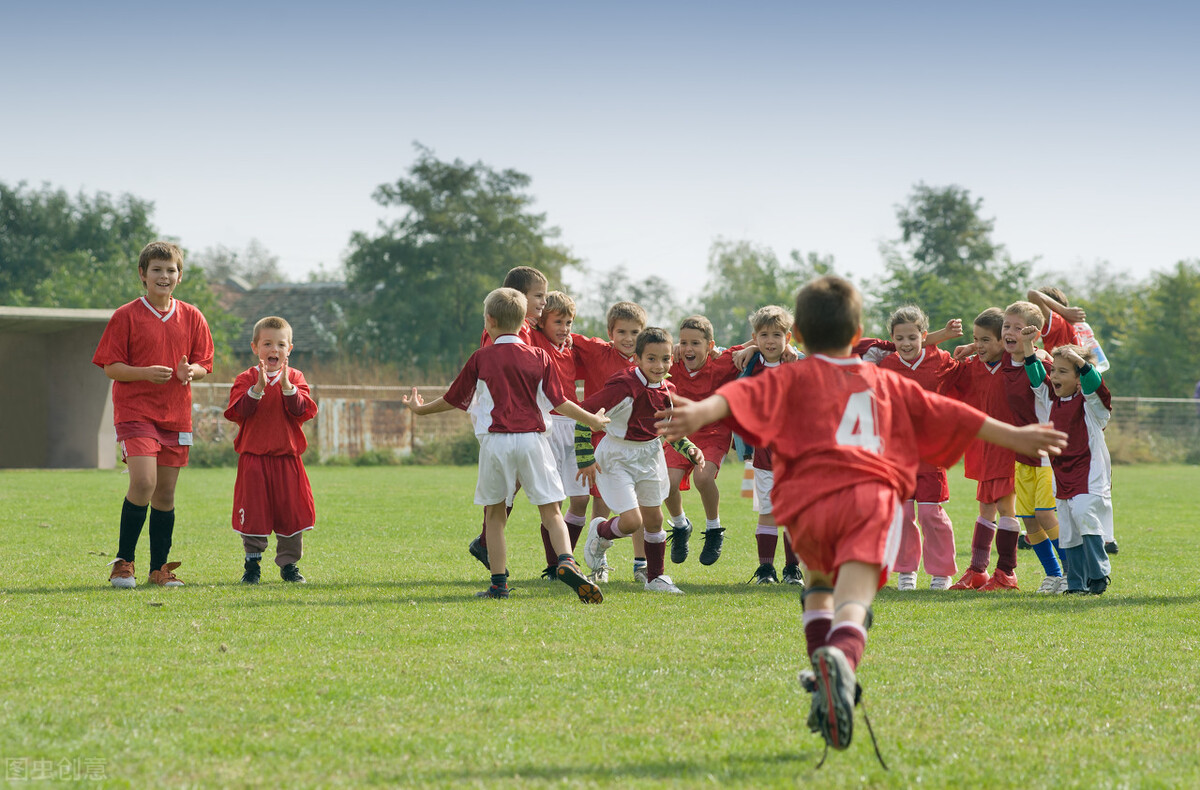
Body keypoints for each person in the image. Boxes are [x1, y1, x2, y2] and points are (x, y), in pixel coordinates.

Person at [657, 276, 1067, 754]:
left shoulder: (788, 376)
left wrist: (699, 411)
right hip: (869, 499)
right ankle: (840, 659)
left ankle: (823, 673)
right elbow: (951, 415)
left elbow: (737, 398)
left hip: (808, 501)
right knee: (853, 597)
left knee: (817, 588)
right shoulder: (885, 380)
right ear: (858, 334)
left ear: (801, 338)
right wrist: (1018, 437)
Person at [406, 288, 609, 602]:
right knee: (552, 512)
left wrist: (419, 409)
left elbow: (453, 399)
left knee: (496, 517)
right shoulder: (540, 356)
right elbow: (561, 401)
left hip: (497, 443)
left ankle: (498, 585)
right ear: (525, 322)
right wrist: (592, 421)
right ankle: (566, 562)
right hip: (533, 441)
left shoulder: (481, 358)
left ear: (489, 320)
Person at [93, 241, 214, 588]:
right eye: (157, 270)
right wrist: (145, 372)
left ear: (179, 275)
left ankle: (159, 569)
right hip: (136, 413)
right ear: (143, 275)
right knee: (143, 483)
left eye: (171, 270)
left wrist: (191, 371)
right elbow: (111, 368)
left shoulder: (193, 316)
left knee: (165, 495)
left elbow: (204, 365)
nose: (164, 276)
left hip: (176, 416)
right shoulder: (126, 315)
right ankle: (123, 563)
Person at [579, 327, 704, 594]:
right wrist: (585, 458)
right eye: (651, 359)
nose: (659, 366)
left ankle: (655, 578)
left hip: (649, 455)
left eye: (665, 359)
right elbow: (584, 414)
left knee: (654, 519)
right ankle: (601, 533)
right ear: (637, 359)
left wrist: (690, 448)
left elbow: (666, 431)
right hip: (616, 457)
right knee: (632, 522)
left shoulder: (668, 389)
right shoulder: (623, 385)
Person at [223, 316, 319, 584]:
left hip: (287, 460)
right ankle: (252, 566)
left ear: (289, 349)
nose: (273, 349)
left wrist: (287, 387)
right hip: (254, 460)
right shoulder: (245, 379)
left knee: (291, 512)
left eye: (280, 344)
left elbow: (303, 410)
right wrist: (257, 389)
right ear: (255, 347)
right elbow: (237, 412)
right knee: (254, 513)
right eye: (267, 343)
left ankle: (289, 566)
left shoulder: (296, 378)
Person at [467, 266, 550, 573]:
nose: (544, 301)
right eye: (538, 295)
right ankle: (490, 543)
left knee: (513, 483)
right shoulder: (506, 334)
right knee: (506, 485)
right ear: (518, 297)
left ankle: (487, 543)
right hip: (501, 418)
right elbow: (494, 373)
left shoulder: (529, 331)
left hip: (516, 417)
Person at [1019, 327, 1114, 594]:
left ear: (1079, 378)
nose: (1054, 376)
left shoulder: (1091, 405)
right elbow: (1037, 379)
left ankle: (1098, 575)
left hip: (1090, 474)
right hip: (1062, 475)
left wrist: (1082, 361)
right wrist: (1028, 345)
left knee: (1084, 513)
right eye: (1054, 370)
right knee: (1070, 529)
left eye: (1062, 371)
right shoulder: (1052, 401)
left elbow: (1096, 383)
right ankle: (1076, 583)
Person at [877, 306, 960, 591]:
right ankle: (906, 571)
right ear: (892, 339)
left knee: (929, 514)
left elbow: (965, 378)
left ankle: (941, 573)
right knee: (901, 515)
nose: (907, 344)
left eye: (912, 337)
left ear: (924, 336)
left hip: (931, 454)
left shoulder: (941, 360)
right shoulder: (886, 365)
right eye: (900, 338)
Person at [940, 308, 1021, 591]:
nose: (980, 346)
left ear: (1004, 340)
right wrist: (969, 350)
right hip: (982, 447)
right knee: (985, 507)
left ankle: (1007, 573)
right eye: (977, 339)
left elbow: (1041, 359)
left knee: (1004, 507)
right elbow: (945, 380)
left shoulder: (1016, 362)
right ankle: (978, 570)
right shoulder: (974, 366)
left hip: (1009, 446)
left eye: (986, 340)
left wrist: (974, 346)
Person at [572, 301, 649, 582]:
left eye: (635, 332)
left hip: (636, 444)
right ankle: (598, 560)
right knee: (601, 501)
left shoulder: (650, 358)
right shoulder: (596, 350)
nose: (629, 338)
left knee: (639, 504)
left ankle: (642, 564)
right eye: (622, 332)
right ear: (610, 332)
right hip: (600, 441)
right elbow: (563, 332)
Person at [662, 315, 742, 567]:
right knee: (666, 482)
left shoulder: (723, 363)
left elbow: (759, 341)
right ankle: (680, 525)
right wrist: (667, 350)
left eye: (695, 343)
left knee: (703, 477)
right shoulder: (670, 363)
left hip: (713, 432)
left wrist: (749, 348)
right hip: (681, 432)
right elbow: (644, 354)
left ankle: (713, 529)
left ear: (710, 346)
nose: (688, 349)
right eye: (683, 342)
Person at [1000, 302, 1068, 593]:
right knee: (1027, 518)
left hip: (1045, 454)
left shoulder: (1043, 363)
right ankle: (1052, 574)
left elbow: (1044, 384)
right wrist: (969, 347)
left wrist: (1034, 351)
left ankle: (1071, 571)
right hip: (1021, 454)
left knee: (1045, 513)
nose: (1010, 332)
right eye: (1007, 326)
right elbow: (986, 345)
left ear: (1034, 334)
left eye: (1018, 328)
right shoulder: (1003, 360)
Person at [527, 291, 592, 578]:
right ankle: (554, 566)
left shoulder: (571, 347)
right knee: (554, 501)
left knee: (580, 499)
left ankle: (568, 561)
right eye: (558, 321)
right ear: (542, 321)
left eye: (569, 322)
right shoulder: (535, 339)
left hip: (575, 426)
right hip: (548, 425)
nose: (565, 328)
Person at [741, 305, 805, 585]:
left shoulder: (798, 362)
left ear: (787, 338)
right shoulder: (750, 365)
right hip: (764, 454)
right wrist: (747, 350)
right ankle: (766, 570)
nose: (770, 341)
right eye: (764, 335)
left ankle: (792, 569)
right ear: (755, 338)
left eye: (776, 335)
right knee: (767, 511)